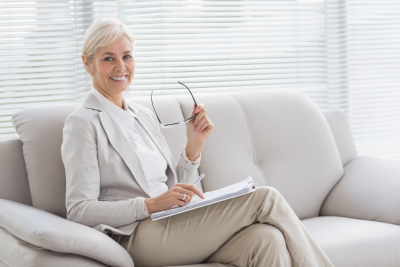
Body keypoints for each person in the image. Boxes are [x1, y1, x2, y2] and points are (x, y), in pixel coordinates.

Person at [61, 18, 334, 267]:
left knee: (266, 240)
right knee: (266, 198)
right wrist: (149, 205)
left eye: (127, 56)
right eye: (109, 58)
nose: (121, 67)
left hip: (172, 222)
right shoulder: (83, 123)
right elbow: (79, 210)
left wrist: (193, 148)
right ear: (88, 63)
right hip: (136, 235)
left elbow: (174, 189)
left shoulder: (142, 116)